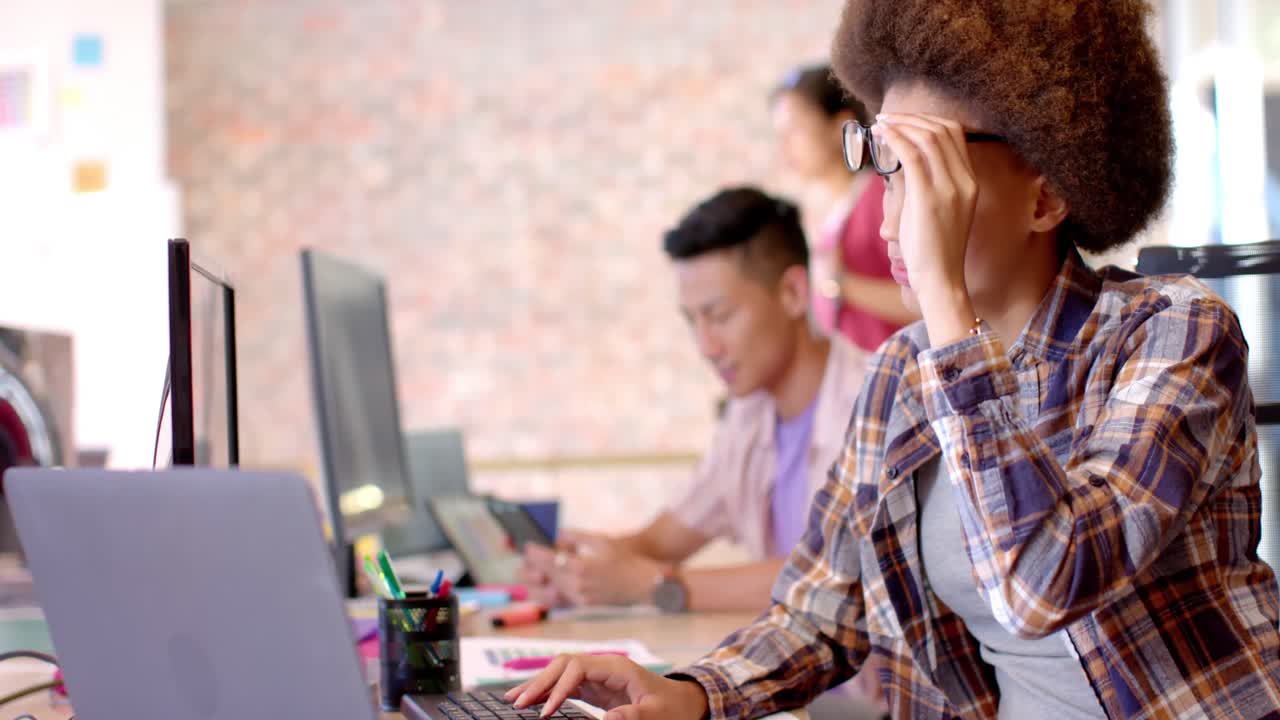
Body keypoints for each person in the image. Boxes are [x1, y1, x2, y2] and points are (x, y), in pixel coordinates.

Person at [506, 1, 1280, 718]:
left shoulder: (1175, 332)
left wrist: (945, 303)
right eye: (882, 168)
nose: (889, 223)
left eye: (924, 173)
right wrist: (690, 692)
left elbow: (1047, 581)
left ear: (1046, 198)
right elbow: (822, 607)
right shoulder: (904, 375)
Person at [522, 187, 867, 615]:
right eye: (692, 321)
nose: (706, 346)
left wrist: (654, 585)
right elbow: (661, 541)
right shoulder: (750, 415)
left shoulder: (871, 402)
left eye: (720, 316)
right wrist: (576, 568)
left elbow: (834, 576)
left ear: (794, 293)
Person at [772, 64, 915, 352]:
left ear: (840, 126)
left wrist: (839, 285)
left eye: (796, 130)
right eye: (780, 135)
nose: (785, 148)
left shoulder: (881, 194)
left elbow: (926, 298)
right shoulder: (817, 210)